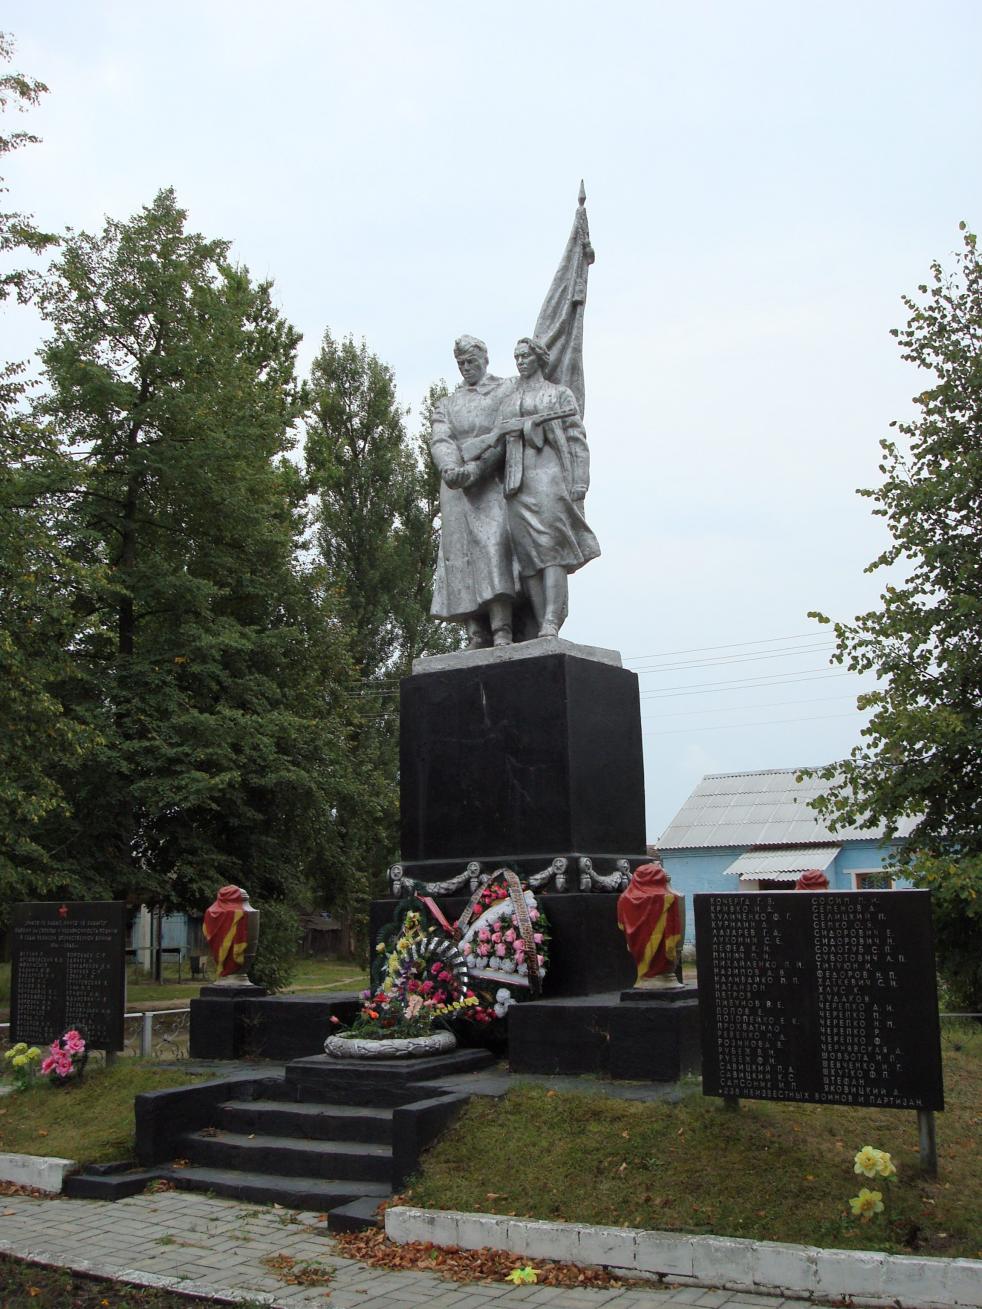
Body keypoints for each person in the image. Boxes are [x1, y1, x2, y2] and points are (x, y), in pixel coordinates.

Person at [494, 336, 600, 638]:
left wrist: (580, 481)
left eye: (525, 356)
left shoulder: (559, 395)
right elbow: (496, 444)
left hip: (550, 478)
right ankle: (542, 622)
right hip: (516, 483)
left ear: (539, 358)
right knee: (527, 556)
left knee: (553, 549)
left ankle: (552, 619)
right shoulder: (508, 401)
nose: (520, 361)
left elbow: (576, 439)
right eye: (517, 357)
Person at [429, 336, 517, 648]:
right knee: (460, 556)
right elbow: (441, 438)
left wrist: (478, 468)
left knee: (494, 547)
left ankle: (502, 626)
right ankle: (475, 631)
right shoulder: (448, 403)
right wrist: (450, 468)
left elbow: (506, 434)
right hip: (455, 486)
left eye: (471, 362)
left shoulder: (505, 389)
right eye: (461, 363)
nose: (466, 368)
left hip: (491, 480)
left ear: (485, 359)